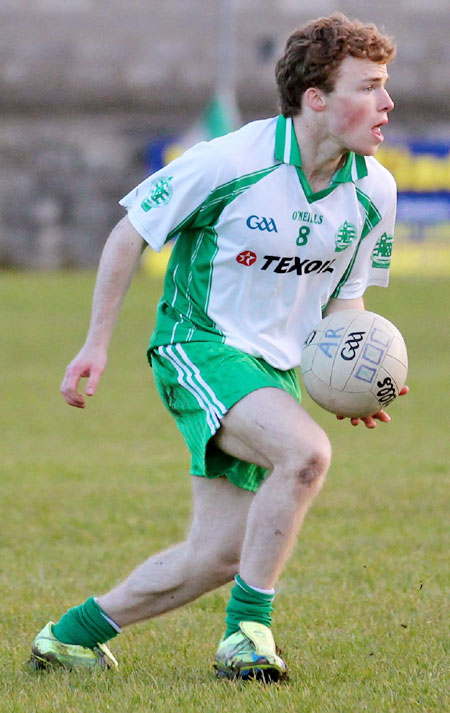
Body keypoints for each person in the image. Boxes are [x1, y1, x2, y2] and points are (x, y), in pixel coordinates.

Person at [31, 13, 407, 681]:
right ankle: (246, 635)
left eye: (387, 87)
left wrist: (360, 372)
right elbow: (129, 234)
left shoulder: (374, 190)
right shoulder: (234, 159)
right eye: (370, 87)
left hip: (274, 369)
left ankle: (69, 637)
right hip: (199, 345)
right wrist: (95, 344)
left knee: (217, 556)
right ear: (316, 99)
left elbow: (346, 305)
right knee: (305, 451)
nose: (387, 103)